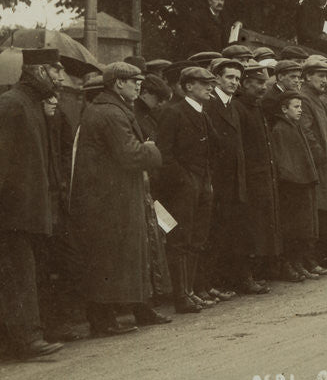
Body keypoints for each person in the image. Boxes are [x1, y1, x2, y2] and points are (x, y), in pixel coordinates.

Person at [0, 48, 65, 360]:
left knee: (9, 275)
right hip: (8, 214)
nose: (60, 77)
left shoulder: (27, 104)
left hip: (19, 212)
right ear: (36, 71)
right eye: (54, 70)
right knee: (17, 275)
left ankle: (4, 343)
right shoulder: (12, 105)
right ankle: (27, 339)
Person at [70, 62, 166, 336]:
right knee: (109, 258)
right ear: (117, 84)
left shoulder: (112, 109)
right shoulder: (111, 113)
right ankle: (103, 320)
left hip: (112, 196)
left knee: (115, 256)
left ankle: (116, 314)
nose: (138, 84)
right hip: (110, 199)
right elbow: (131, 155)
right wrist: (151, 149)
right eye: (133, 80)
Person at [154, 66, 219, 314]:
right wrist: (185, 181)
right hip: (182, 187)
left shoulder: (202, 113)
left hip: (201, 183)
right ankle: (181, 296)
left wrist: (206, 177)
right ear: (188, 86)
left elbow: (216, 145)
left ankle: (190, 291)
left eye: (210, 83)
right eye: (204, 84)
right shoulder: (174, 113)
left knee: (197, 238)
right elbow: (165, 155)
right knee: (180, 239)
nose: (209, 88)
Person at [230, 64, 281, 292]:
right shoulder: (239, 108)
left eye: (263, 83)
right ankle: (244, 276)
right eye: (258, 83)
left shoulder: (255, 107)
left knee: (260, 228)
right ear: (246, 83)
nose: (263, 88)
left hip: (262, 177)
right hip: (249, 179)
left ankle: (255, 272)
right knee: (247, 230)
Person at [200, 58, 247, 302]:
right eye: (229, 77)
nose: (234, 83)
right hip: (218, 179)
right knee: (214, 233)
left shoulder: (232, 105)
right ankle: (210, 282)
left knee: (228, 232)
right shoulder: (209, 104)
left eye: (237, 79)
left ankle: (223, 280)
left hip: (233, 179)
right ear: (217, 78)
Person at [132, 74, 176, 306]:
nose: (160, 104)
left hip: (156, 183)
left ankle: (162, 286)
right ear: (146, 93)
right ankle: (158, 289)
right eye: (157, 99)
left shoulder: (148, 114)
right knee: (158, 233)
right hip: (151, 185)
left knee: (163, 231)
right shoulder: (139, 116)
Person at [270, 91, 321, 280]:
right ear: (284, 109)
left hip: (303, 183)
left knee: (303, 228)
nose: (300, 110)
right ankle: (289, 266)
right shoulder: (280, 130)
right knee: (292, 228)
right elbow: (283, 161)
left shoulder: (295, 126)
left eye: (300, 107)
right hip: (292, 187)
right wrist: (294, 179)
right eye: (296, 107)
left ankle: (299, 264)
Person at [299, 60, 327, 274]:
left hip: (324, 163)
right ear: (306, 77)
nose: (324, 81)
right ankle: (310, 260)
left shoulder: (315, 98)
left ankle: (315, 258)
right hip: (316, 166)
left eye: (326, 76)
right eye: (320, 76)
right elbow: (306, 131)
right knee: (313, 213)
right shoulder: (305, 99)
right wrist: (321, 157)